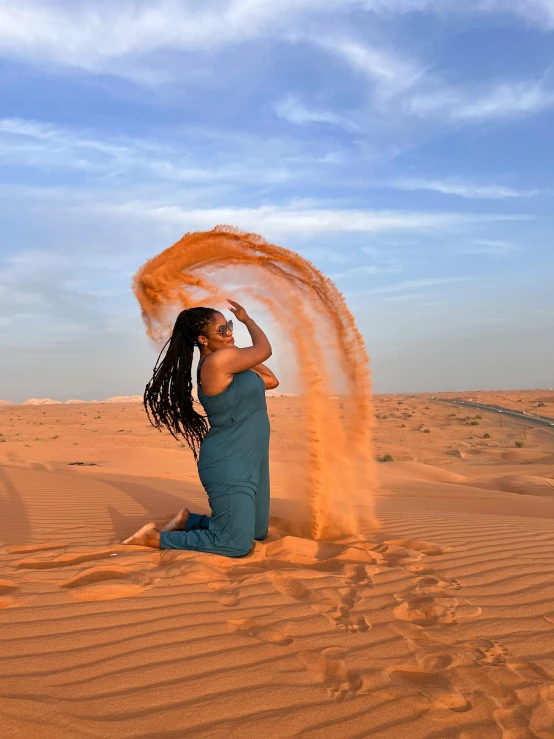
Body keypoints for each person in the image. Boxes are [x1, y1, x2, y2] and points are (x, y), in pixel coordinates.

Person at [122, 299, 279, 557]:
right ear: (202, 340)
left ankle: (190, 522)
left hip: (254, 458)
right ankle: (154, 538)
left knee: (256, 532)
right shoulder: (217, 364)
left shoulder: (231, 362)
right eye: (222, 329)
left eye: (229, 325)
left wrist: (230, 343)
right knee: (236, 544)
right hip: (230, 461)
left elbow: (271, 380)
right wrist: (246, 320)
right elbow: (264, 349)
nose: (229, 331)